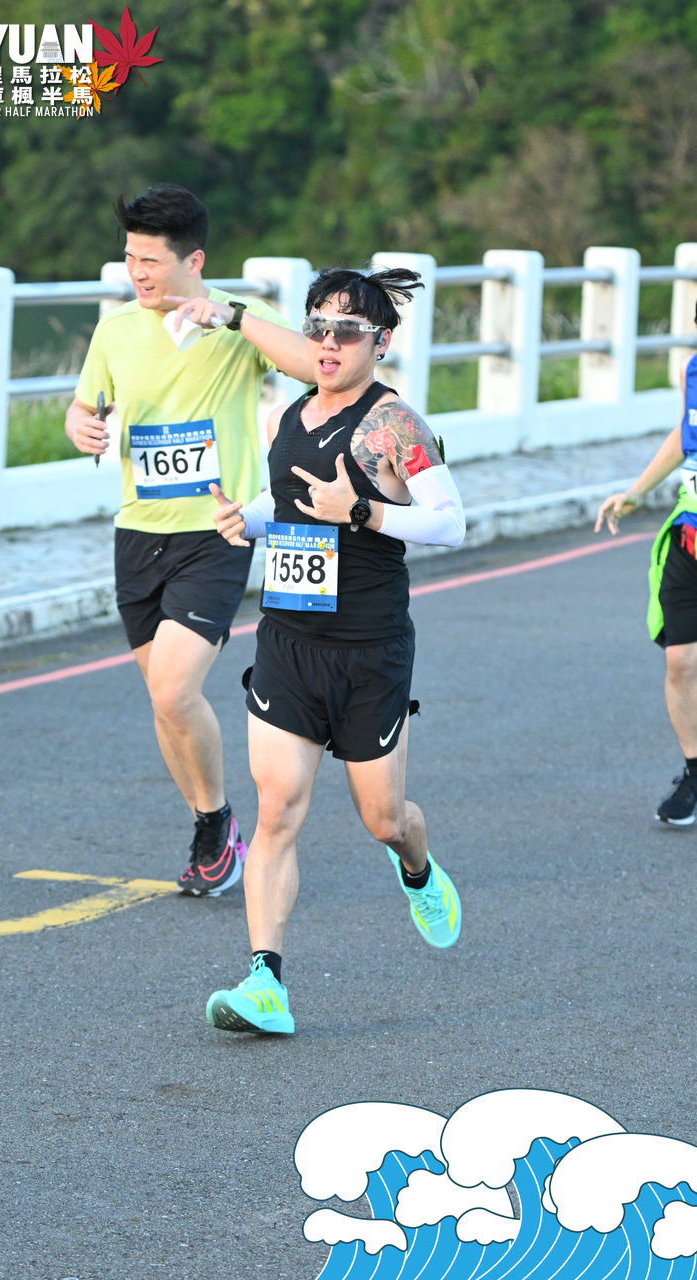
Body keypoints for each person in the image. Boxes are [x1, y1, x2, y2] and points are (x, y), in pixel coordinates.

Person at [204, 266, 466, 1036]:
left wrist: (363, 513)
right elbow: (287, 500)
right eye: (316, 326)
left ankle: (415, 865)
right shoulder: (288, 414)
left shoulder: (395, 426)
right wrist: (247, 520)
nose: (326, 342)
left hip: (367, 649)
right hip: (288, 640)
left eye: (345, 331)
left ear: (379, 342)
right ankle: (265, 983)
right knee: (277, 809)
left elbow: (450, 523)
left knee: (382, 818)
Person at [65, 184, 313, 895]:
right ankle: (213, 823)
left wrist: (234, 320)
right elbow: (84, 404)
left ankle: (214, 827)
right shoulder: (116, 329)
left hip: (215, 531)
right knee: (161, 699)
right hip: (137, 532)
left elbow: (308, 364)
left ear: (193, 260)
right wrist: (79, 425)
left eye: (150, 260)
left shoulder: (234, 318)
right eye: (129, 258)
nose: (137, 272)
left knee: (176, 691)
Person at [595, 307, 697, 825]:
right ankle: (695, 773)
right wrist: (637, 491)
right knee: (681, 662)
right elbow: (685, 433)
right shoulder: (692, 370)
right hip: (689, 537)